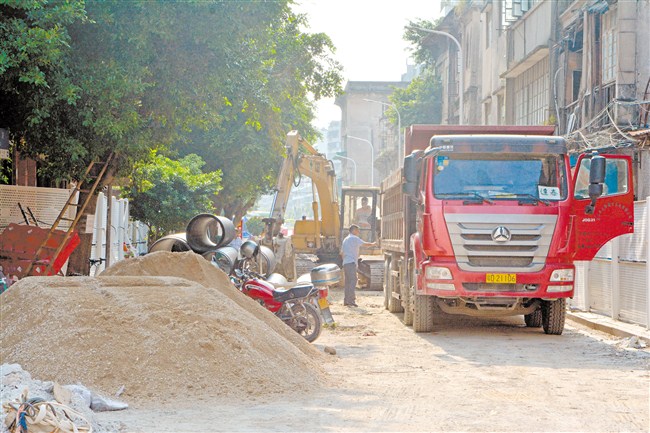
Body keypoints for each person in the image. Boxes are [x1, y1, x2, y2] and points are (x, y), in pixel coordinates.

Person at [340, 224, 376, 307]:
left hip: (346, 263)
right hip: (351, 262)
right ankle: (351, 301)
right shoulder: (354, 238)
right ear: (353, 230)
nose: (358, 232)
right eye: (357, 230)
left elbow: (341, 253)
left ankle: (346, 300)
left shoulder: (345, 239)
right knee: (353, 281)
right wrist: (373, 244)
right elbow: (365, 244)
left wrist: (344, 261)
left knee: (348, 282)